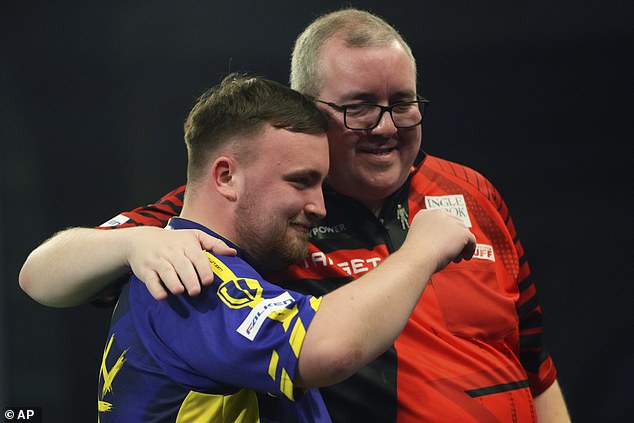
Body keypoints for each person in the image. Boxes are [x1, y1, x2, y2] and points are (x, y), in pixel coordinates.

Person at [20, 8, 570, 423]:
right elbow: (39, 276)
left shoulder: (473, 192)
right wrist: (133, 244)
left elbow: (534, 363)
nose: (385, 126)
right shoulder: (260, 212)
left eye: (402, 102)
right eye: (358, 106)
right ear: (308, 108)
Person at [95, 73, 476, 422]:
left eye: (321, 185)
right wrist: (422, 249)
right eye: (301, 181)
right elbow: (329, 349)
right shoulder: (192, 277)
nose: (320, 207)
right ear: (226, 177)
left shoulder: (182, 261)